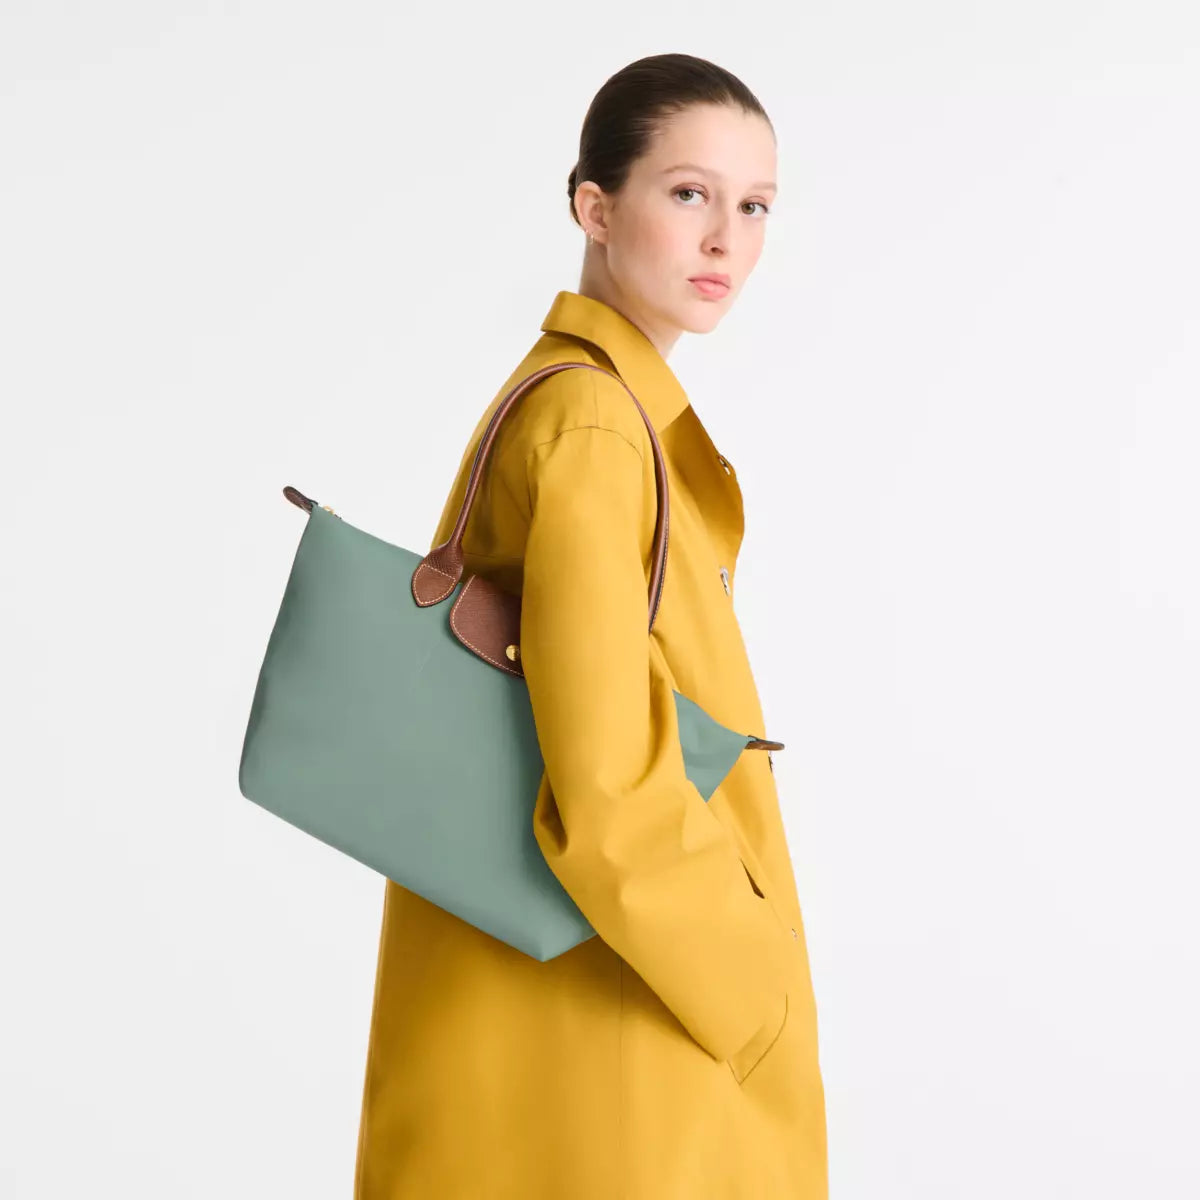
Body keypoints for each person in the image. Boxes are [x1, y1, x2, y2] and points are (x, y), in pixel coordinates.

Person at [354, 52, 828, 1199]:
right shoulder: (597, 429)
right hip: (627, 1022)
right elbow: (609, 792)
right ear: (595, 208)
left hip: (572, 1007)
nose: (725, 239)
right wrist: (757, 991)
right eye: (689, 193)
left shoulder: (596, 408)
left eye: (755, 207)